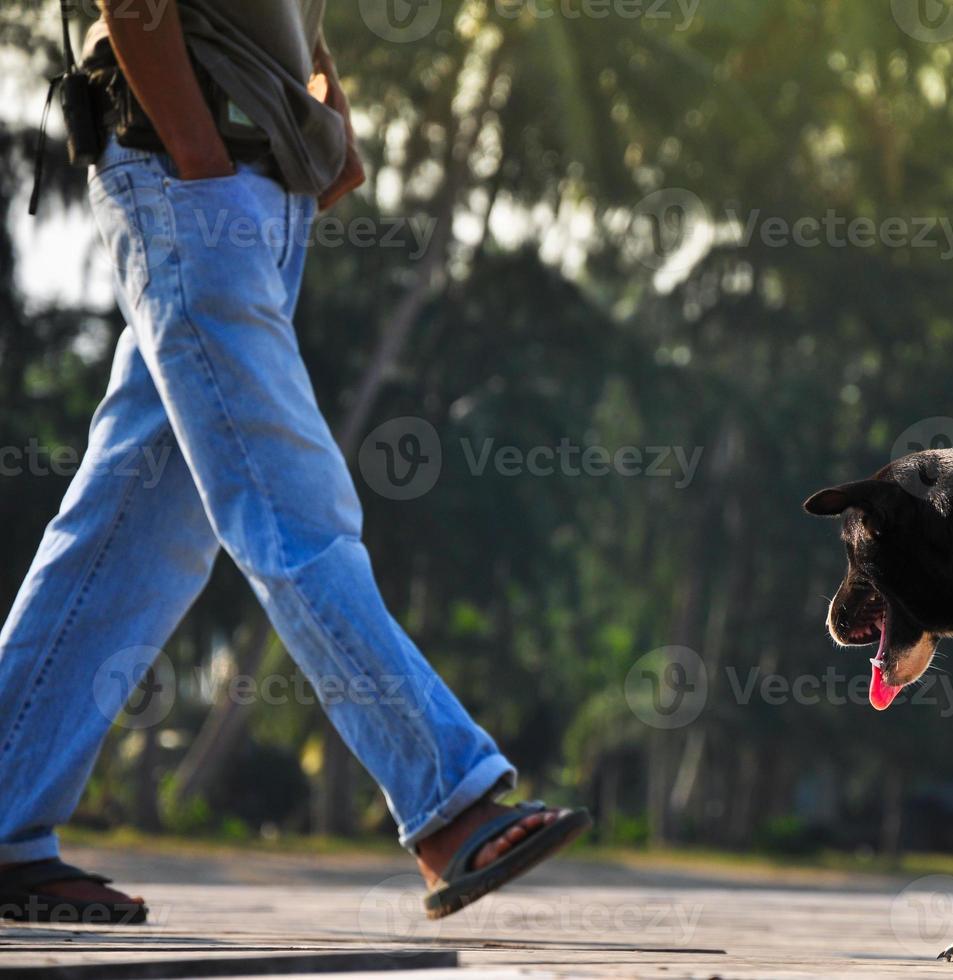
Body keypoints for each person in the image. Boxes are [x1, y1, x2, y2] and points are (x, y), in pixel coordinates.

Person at [0, 0, 589, 925]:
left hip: (249, 178)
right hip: (192, 172)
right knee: (290, 506)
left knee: (133, 530)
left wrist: (325, 96)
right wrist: (200, 162)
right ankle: (449, 804)